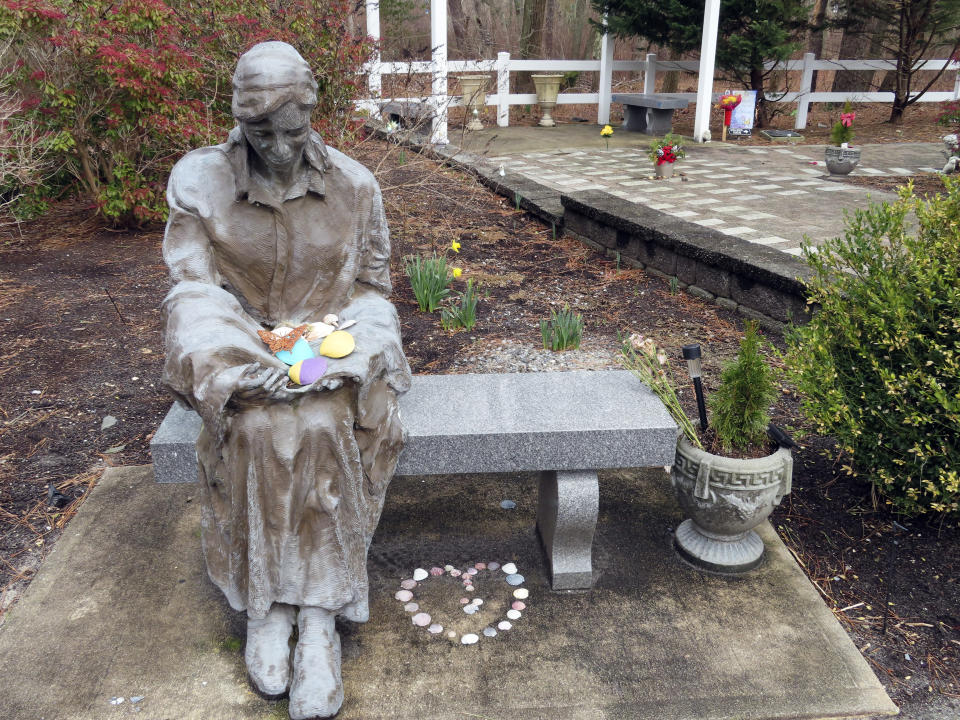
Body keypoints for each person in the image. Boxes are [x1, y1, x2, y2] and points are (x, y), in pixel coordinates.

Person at [161, 41, 410, 719]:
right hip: (246, 359)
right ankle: (269, 609)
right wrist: (236, 360)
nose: (276, 147)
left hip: (330, 358)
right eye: (258, 131)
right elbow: (190, 292)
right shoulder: (199, 181)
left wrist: (352, 351)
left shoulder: (355, 186)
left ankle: (321, 624)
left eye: (292, 131)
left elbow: (373, 289)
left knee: (327, 423)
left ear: (313, 112)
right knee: (264, 428)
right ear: (237, 119)